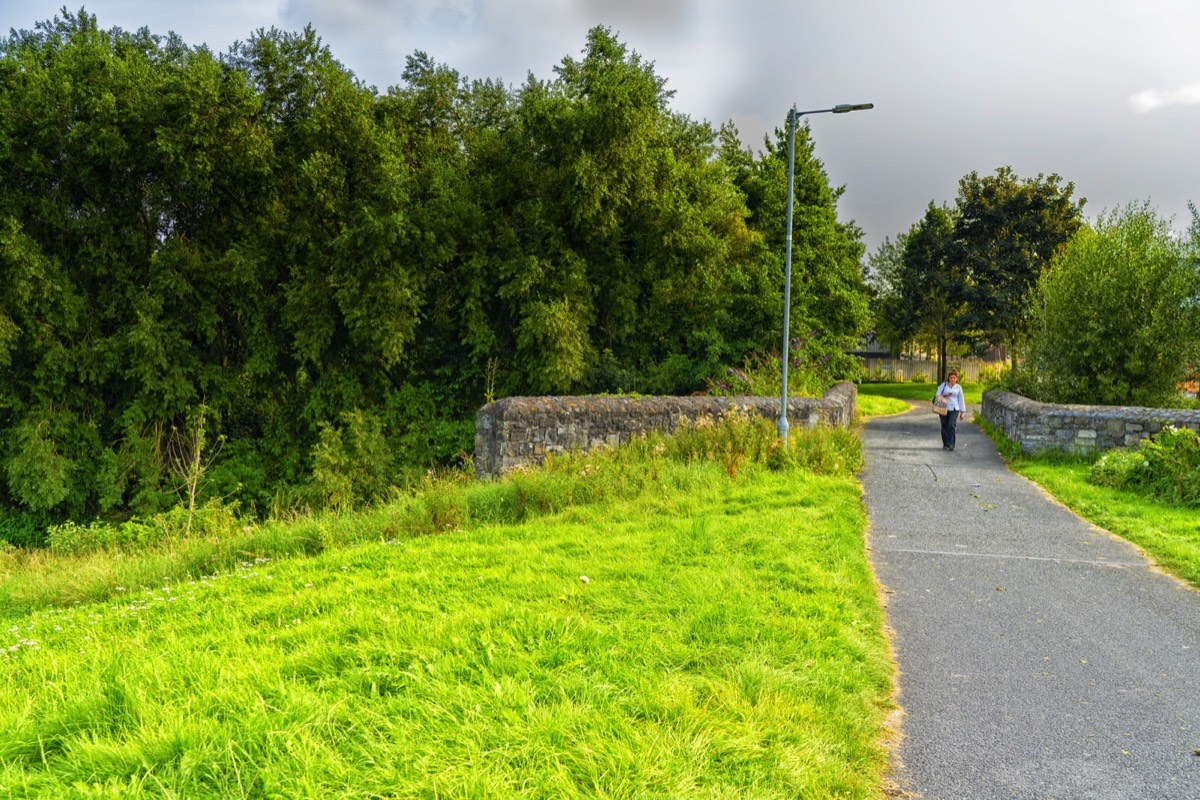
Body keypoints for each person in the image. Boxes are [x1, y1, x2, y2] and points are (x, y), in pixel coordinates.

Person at [934, 369, 966, 451]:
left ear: (957, 379)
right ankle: (945, 443)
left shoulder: (958, 388)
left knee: (951, 425)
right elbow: (937, 395)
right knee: (944, 426)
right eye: (951, 378)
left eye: (954, 378)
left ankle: (951, 444)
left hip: (954, 408)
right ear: (948, 378)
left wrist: (962, 413)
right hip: (943, 408)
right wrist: (944, 395)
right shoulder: (943, 385)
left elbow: (961, 399)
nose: (953, 379)